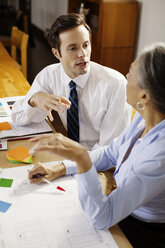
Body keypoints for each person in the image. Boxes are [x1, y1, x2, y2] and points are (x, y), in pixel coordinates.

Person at [28, 43, 165, 247]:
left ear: (145, 96)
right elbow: (111, 153)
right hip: (120, 204)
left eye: (130, 74)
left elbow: (103, 217)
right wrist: (60, 167)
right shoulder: (145, 117)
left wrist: (81, 158)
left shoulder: (159, 157)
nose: (125, 77)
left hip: (141, 231)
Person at [11, 13, 131, 150]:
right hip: (68, 153)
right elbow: (17, 118)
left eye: (86, 45)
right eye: (73, 48)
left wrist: (69, 165)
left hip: (100, 161)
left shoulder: (115, 84)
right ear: (56, 53)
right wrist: (34, 100)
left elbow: (110, 150)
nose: (82, 54)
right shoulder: (49, 75)